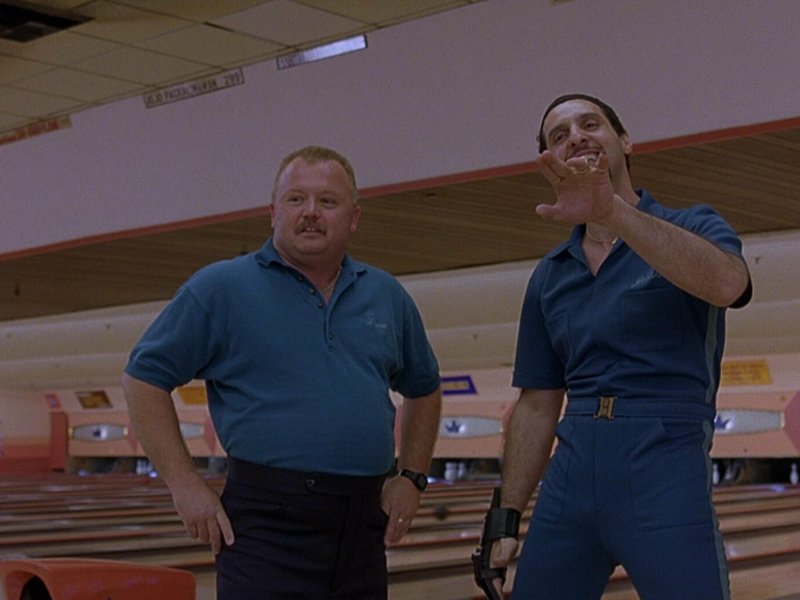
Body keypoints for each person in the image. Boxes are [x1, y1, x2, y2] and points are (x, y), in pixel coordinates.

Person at [122, 145, 442, 600]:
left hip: (362, 524)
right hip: (265, 523)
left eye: (327, 201)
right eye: (296, 199)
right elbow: (143, 379)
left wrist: (411, 477)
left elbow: (424, 388)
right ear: (273, 213)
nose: (310, 212)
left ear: (353, 218)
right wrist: (184, 483)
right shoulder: (221, 287)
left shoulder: (386, 295)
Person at [487, 94, 752, 599]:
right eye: (559, 135)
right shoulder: (550, 274)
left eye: (590, 124)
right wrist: (505, 515)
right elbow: (537, 403)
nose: (576, 137)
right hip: (573, 466)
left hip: (665, 462)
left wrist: (612, 211)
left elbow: (728, 285)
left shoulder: (693, 225)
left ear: (624, 140)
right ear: (549, 160)